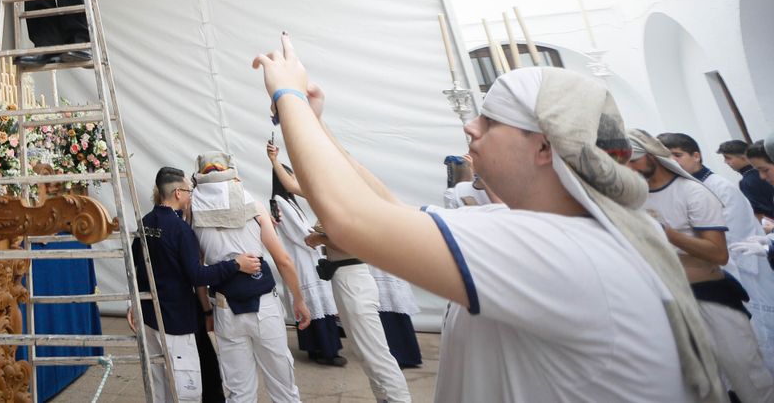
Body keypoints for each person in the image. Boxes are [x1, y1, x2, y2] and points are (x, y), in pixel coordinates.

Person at [250, 34, 720, 402]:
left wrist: (288, 95)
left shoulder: (556, 247)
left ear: (544, 146)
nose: (470, 127)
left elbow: (352, 219)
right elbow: (387, 207)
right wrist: (315, 121)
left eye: (490, 121)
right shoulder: (542, 227)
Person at [629, 130, 774, 401]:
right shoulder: (637, 197)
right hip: (674, 297)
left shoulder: (699, 190)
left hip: (722, 282)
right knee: (706, 380)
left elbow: (721, 250)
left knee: (747, 371)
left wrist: (668, 238)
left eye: (633, 159)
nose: (628, 167)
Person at [269, 144, 411, 403]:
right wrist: (274, 159)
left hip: (353, 277)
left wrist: (318, 239)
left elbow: (353, 242)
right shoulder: (334, 194)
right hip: (344, 276)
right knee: (365, 351)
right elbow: (290, 185)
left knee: (375, 353)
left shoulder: (352, 199)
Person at [188, 151, 310, 403]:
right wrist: (299, 299)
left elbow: (198, 271)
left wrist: (207, 311)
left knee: (239, 391)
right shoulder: (252, 204)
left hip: (225, 308)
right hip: (263, 304)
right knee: (283, 386)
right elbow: (283, 260)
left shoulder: (193, 211)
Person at [132, 166, 249, 402]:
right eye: (189, 190)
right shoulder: (180, 230)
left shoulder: (145, 222)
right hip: (175, 319)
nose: (191, 195)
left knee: (159, 382)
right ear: (178, 193)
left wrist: (133, 304)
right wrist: (236, 264)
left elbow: (136, 266)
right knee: (186, 386)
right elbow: (197, 276)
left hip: (150, 316)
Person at [661, 132, 774, 374]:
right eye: (667, 156)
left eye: (677, 155)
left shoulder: (719, 186)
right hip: (716, 270)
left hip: (744, 269)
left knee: (764, 334)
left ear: (696, 156)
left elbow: (734, 237)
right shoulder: (682, 189)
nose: (672, 161)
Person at [266, 164, 345, 367]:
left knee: (320, 303)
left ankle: (322, 349)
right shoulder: (279, 201)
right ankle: (323, 350)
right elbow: (298, 233)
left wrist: (317, 234)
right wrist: (319, 235)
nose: (294, 181)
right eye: (290, 177)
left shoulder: (289, 201)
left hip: (308, 256)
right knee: (312, 303)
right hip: (301, 258)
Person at [722, 139, 774, 220]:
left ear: (743, 157)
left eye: (728, 158)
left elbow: (760, 215)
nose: (725, 162)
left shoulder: (747, 182)